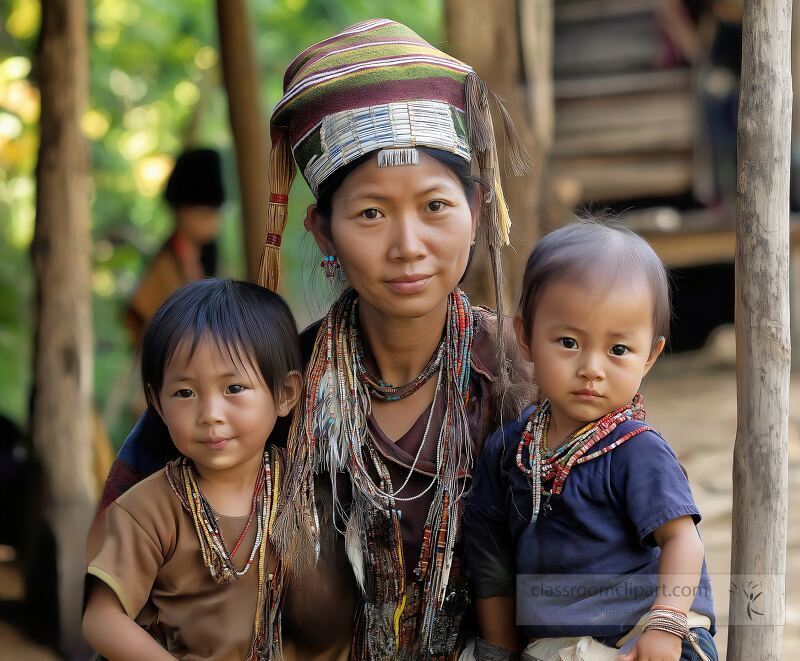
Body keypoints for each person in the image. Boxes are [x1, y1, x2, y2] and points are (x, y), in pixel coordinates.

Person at [94, 19, 533, 660]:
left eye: (436, 206)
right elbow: (114, 572)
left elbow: (639, 548)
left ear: (478, 207)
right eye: (371, 213)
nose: (408, 245)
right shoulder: (268, 387)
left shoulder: (528, 378)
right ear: (321, 232)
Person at [464, 221, 718, 661]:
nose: (592, 368)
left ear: (650, 356)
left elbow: (683, 541)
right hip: (559, 644)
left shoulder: (636, 449)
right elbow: (490, 559)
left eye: (618, 350)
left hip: (642, 632)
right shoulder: (510, 449)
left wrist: (666, 623)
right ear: (524, 337)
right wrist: (498, 648)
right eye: (568, 342)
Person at [83, 279, 302, 660]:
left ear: (285, 393)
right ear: (157, 401)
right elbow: (102, 618)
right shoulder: (149, 509)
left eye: (234, 388)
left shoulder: (310, 493)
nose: (210, 415)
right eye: (185, 393)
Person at [125, 147, 225, 346]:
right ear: (181, 213)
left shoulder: (208, 258)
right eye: (205, 214)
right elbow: (141, 319)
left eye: (215, 214)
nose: (214, 223)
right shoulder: (163, 267)